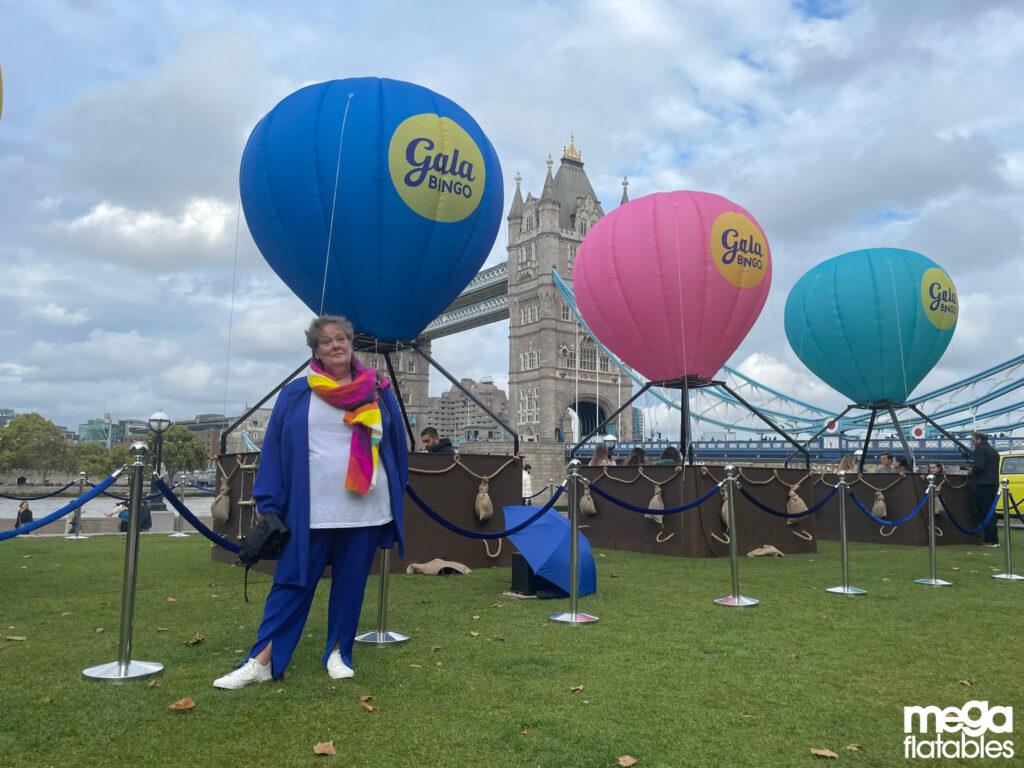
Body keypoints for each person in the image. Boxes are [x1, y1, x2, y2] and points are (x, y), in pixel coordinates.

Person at [213, 314, 408, 689]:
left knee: (351, 584)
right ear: (315, 351)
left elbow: (397, 444)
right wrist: (270, 501)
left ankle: (338, 652)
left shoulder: (378, 389)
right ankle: (261, 660)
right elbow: (275, 448)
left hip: (366, 507)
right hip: (311, 510)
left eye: (341, 339)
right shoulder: (297, 393)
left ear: (351, 343)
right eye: (326, 341)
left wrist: (397, 487)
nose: (336, 345)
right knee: (292, 582)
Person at [968, 431, 1000, 547]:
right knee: (991, 511)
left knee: (984, 512)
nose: (972, 443)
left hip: (983, 484)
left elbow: (979, 467)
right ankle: (992, 539)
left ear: (978, 440)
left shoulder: (980, 449)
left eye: (973, 440)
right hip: (993, 484)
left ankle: (991, 540)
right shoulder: (993, 450)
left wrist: (970, 471)